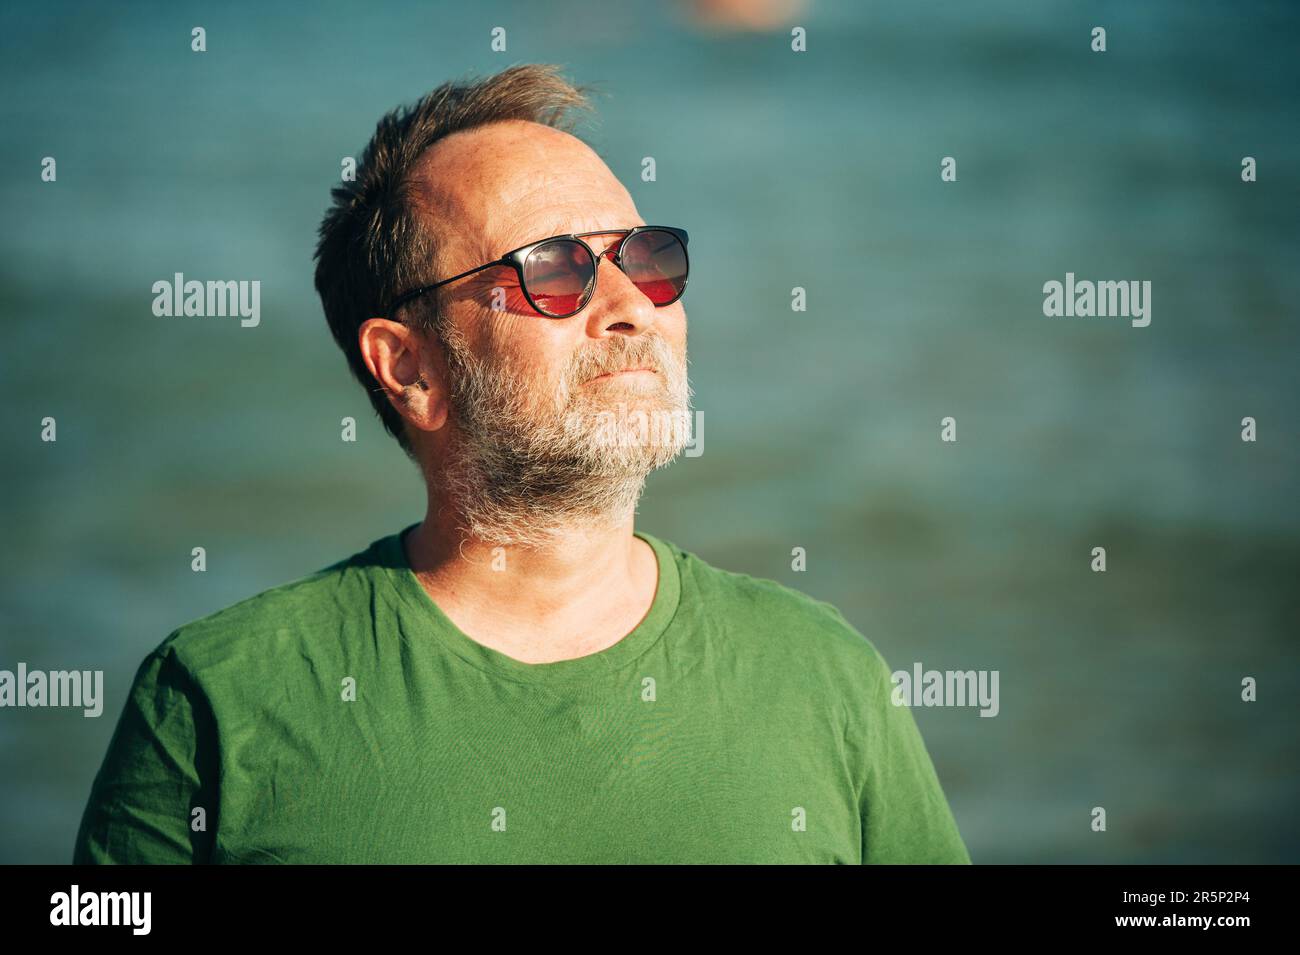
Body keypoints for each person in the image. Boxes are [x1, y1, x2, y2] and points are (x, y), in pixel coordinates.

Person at [73, 63, 970, 864]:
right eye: (555, 269)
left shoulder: (825, 676)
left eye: (646, 259)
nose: (632, 308)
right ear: (412, 369)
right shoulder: (217, 703)